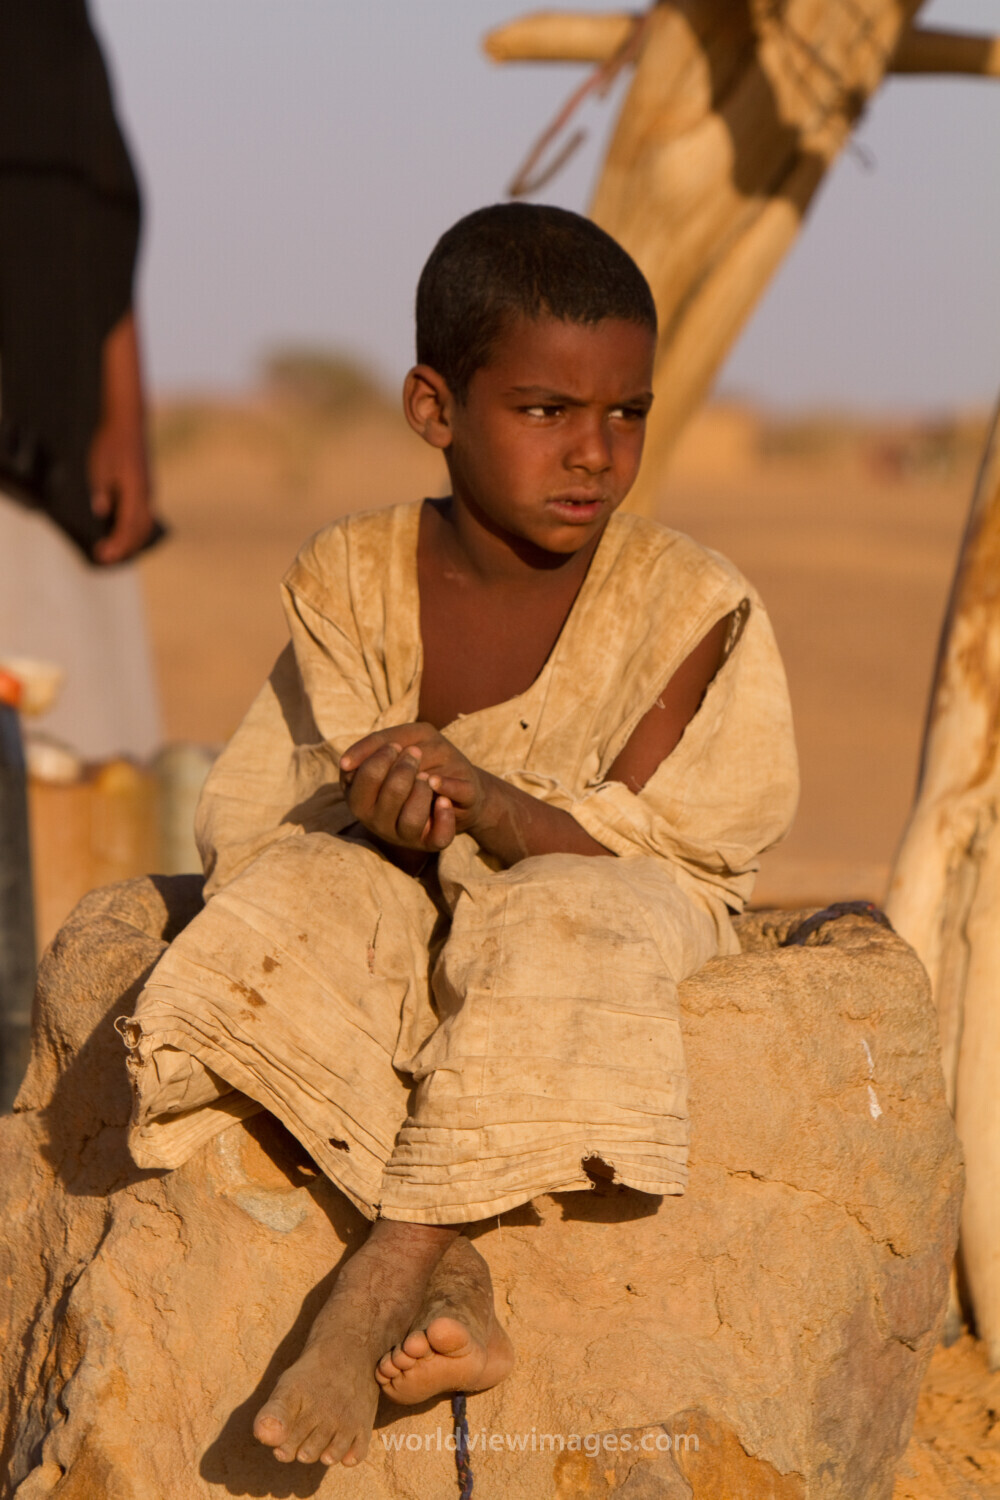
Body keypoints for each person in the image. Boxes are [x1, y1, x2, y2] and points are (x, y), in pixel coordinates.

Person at [119, 204, 798, 1469]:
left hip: (604, 903)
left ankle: (379, 1278)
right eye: (546, 412)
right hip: (400, 889)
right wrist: (378, 820)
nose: (594, 453)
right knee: (281, 915)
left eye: (627, 414)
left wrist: (484, 801)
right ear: (435, 408)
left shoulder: (684, 606)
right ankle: (456, 1268)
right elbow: (276, 808)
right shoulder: (349, 578)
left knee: (551, 917)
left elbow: (653, 854)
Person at [0, 0, 163, 760]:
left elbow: (95, 197)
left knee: (79, 767)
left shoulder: (44, 25)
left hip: (50, 427)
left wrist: (122, 406)